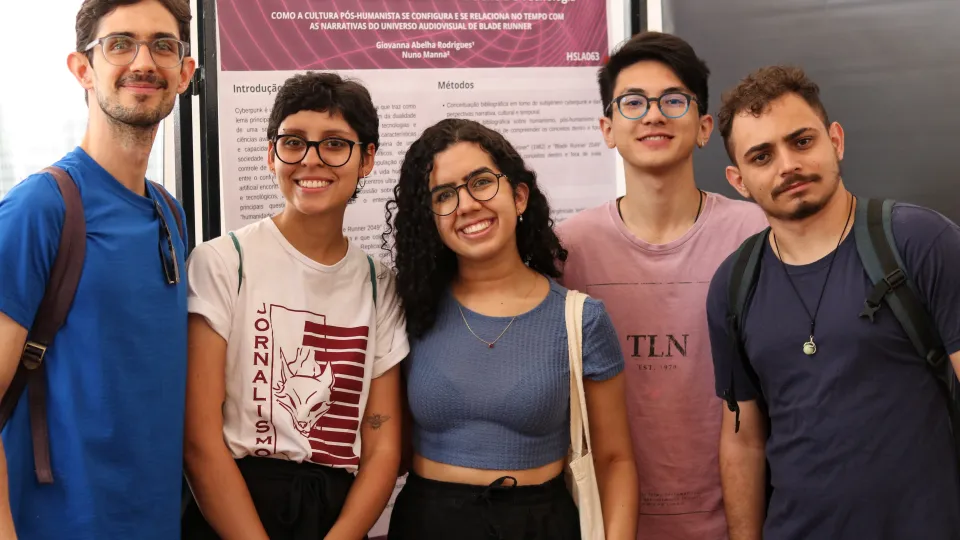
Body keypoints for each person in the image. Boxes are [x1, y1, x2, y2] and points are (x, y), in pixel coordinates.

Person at [707, 65, 960, 539]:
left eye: (801, 142)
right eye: (761, 156)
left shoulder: (919, 241)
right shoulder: (733, 285)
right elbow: (742, 440)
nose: (787, 166)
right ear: (739, 180)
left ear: (835, 141)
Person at [381, 117, 638, 539]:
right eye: (444, 195)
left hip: (539, 523)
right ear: (431, 218)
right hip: (427, 523)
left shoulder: (581, 319)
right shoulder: (409, 312)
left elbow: (615, 460)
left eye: (480, 182)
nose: (465, 205)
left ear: (519, 197)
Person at [557, 31, 767, 540]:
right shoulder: (565, 250)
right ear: (608, 128)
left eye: (673, 100)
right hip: (606, 524)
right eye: (633, 102)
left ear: (703, 126)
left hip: (744, 519)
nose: (653, 115)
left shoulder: (758, 233)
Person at [181, 71, 408, 539]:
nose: (311, 160)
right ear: (271, 155)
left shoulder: (379, 283)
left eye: (334, 144)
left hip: (334, 516)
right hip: (233, 509)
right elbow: (200, 438)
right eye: (293, 142)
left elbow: (382, 446)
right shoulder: (224, 261)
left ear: (366, 159)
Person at [0, 0, 195, 537]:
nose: (143, 62)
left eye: (162, 45)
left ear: (185, 72)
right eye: (119, 44)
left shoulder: (170, 213)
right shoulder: (41, 208)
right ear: (83, 68)